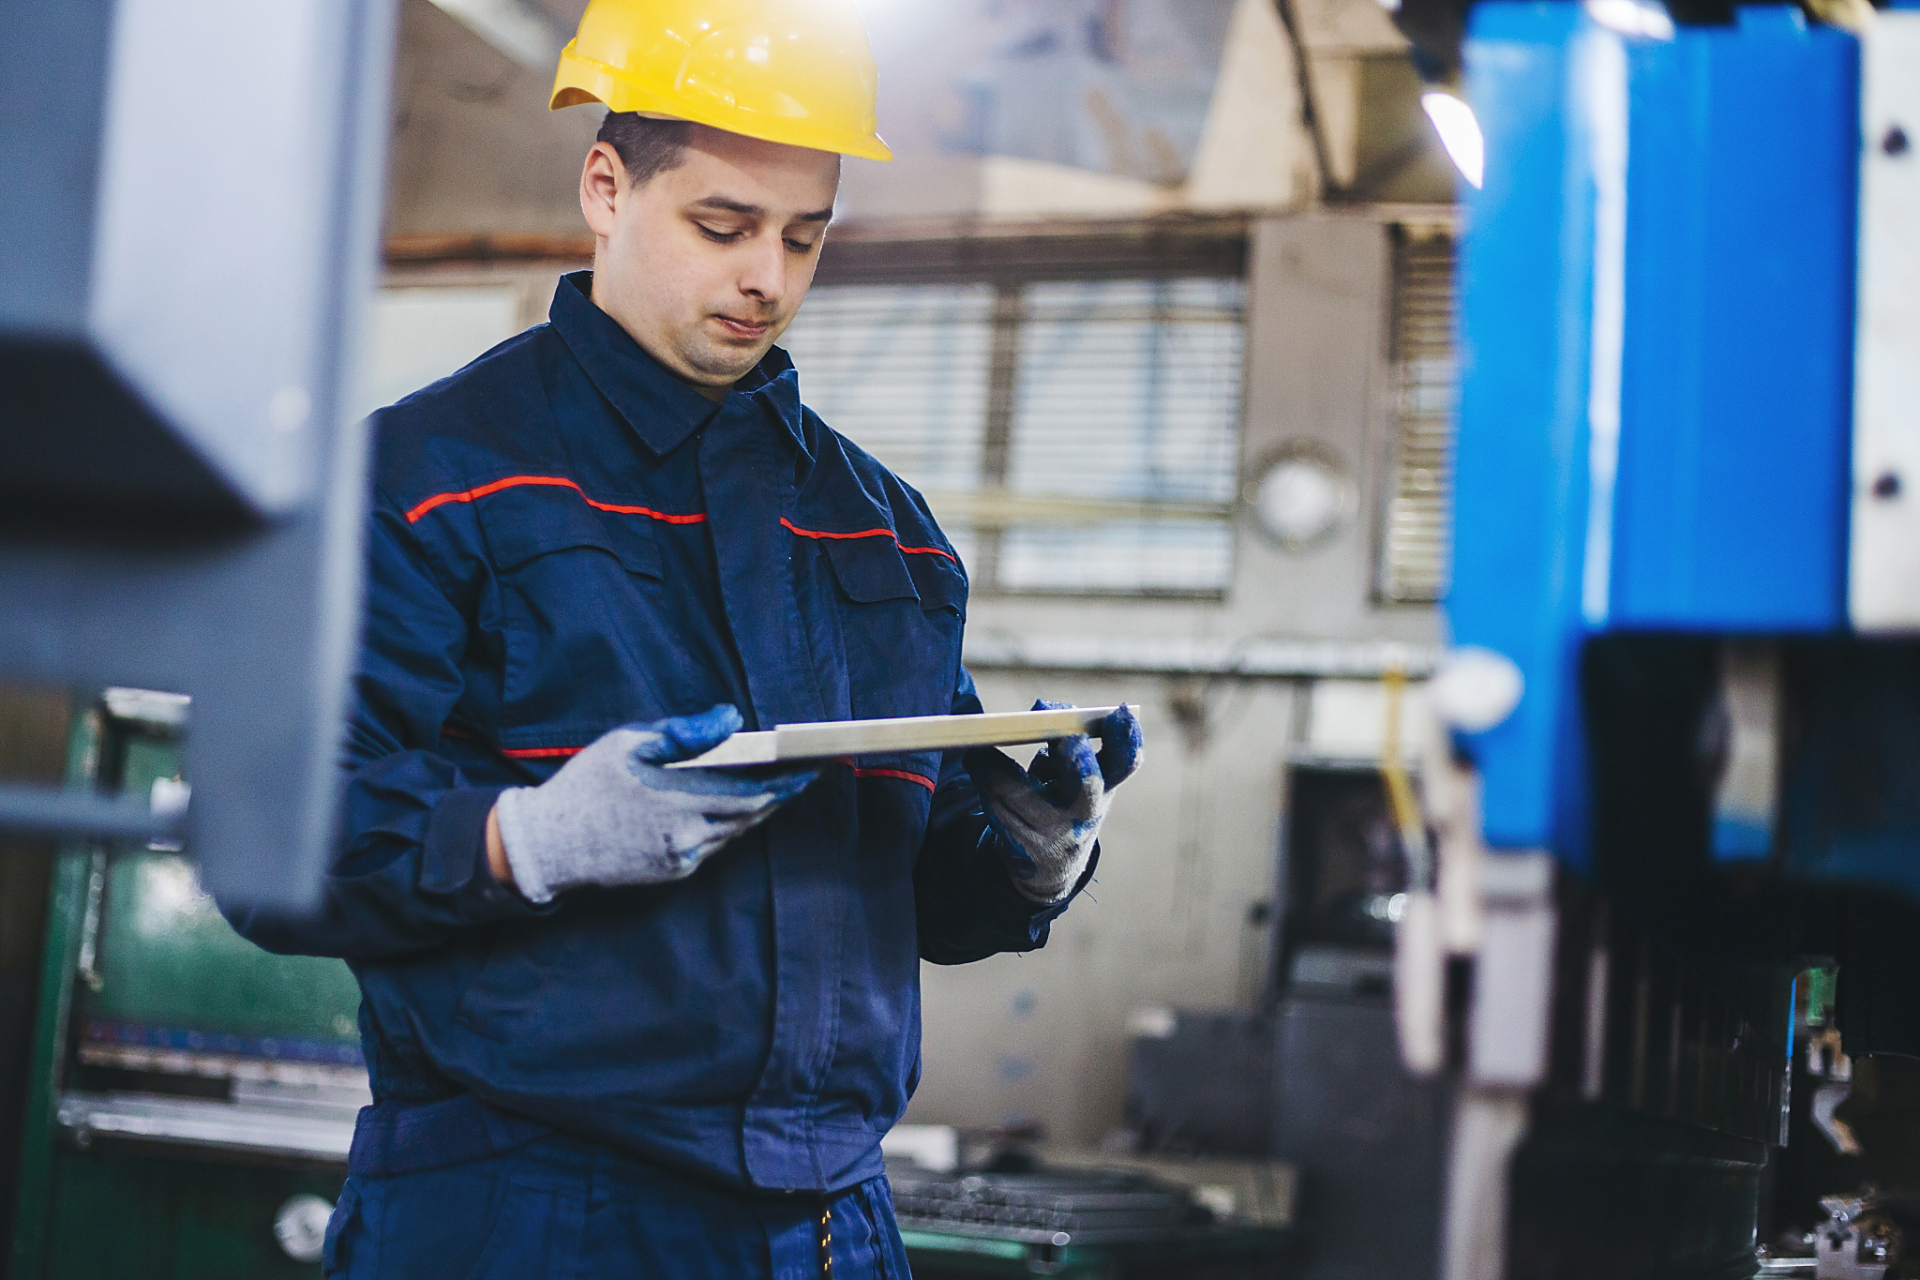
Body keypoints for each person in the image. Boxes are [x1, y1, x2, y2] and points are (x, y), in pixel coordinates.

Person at [235, 1, 1142, 1277]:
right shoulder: (429, 479)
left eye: (805, 237)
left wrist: (1029, 861)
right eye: (723, 226)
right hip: (525, 1211)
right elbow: (270, 837)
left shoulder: (884, 530)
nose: (767, 276)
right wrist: (529, 838)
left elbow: (921, 883)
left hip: (833, 1222)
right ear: (606, 185)